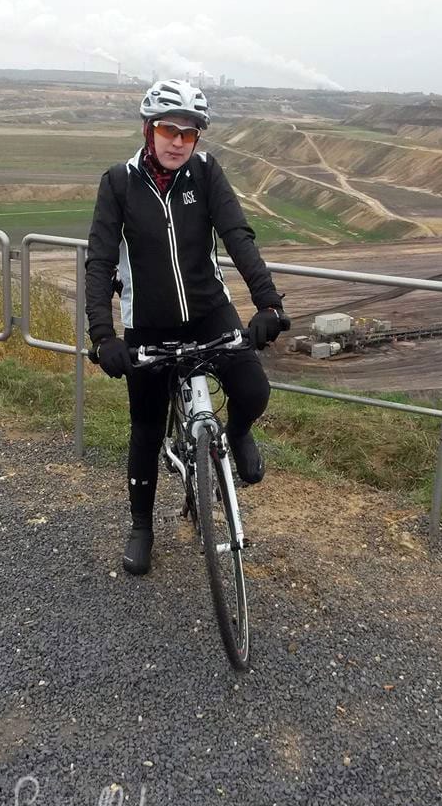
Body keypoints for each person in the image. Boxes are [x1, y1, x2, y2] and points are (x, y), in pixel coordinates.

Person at [85, 79, 289, 575]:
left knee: (253, 390)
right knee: (147, 430)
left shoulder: (206, 172)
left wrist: (267, 303)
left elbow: (237, 235)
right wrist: (103, 337)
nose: (178, 141)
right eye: (169, 130)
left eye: (190, 133)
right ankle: (141, 527)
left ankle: (237, 434)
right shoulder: (118, 183)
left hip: (208, 313)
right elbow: (99, 261)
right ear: (148, 129)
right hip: (148, 325)